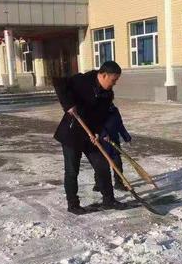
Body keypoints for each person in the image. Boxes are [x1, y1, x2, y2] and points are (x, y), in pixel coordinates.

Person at [53, 61, 129, 215]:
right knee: (72, 170)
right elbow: (59, 83)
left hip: (89, 135)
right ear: (103, 75)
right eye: (113, 80)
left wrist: (99, 133)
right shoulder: (83, 80)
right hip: (71, 133)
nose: (114, 83)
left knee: (102, 164)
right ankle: (73, 204)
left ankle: (109, 199)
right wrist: (68, 104)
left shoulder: (107, 94)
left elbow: (101, 117)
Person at [93, 104, 132, 192]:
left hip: (114, 142)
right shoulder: (98, 110)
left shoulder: (114, 110)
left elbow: (120, 125)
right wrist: (104, 134)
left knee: (117, 163)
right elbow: (96, 123)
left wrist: (127, 137)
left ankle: (118, 183)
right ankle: (99, 183)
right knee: (101, 164)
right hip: (102, 143)